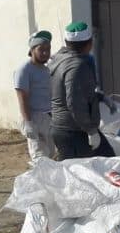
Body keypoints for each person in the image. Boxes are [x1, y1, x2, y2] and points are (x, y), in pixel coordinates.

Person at [49, 21, 115, 160]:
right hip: (74, 131)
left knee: (108, 161)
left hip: (66, 128)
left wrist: (100, 97)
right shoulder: (76, 66)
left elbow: (75, 93)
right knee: (92, 171)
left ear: (66, 42)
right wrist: (91, 131)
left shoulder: (58, 59)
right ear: (89, 44)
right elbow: (74, 102)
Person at [13, 30, 54, 163]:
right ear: (32, 49)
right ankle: (40, 182)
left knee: (51, 155)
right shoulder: (24, 70)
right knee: (40, 159)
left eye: (48, 49)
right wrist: (28, 123)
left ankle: (48, 183)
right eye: (41, 49)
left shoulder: (46, 69)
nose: (45, 53)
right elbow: (22, 98)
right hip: (34, 118)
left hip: (48, 118)